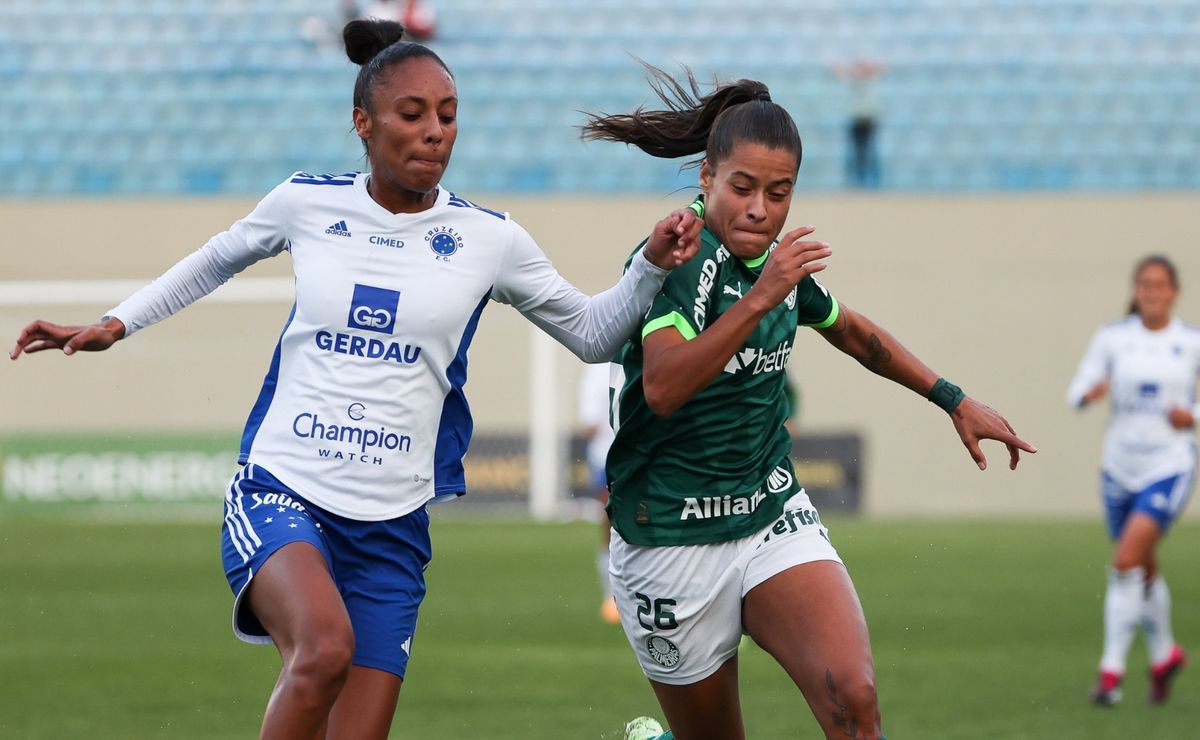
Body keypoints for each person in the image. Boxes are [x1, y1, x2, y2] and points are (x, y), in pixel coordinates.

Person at [8, 20, 702, 740]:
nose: (435, 131)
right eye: (412, 114)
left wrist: (648, 266)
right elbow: (216, 258)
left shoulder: (489, 239)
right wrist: (114, 323)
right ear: (362, 124)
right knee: (323, 650)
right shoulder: (307, 203)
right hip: (284, 489)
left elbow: (593, 335)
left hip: (393, 529)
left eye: (448, 115)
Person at [581, 65, 1036, 740]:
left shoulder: (778, 265)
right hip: (668, 537)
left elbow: (852, 332)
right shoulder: (677, 254)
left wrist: (952, 398)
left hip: (769, 512)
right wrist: (765, 294)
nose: (761, 208)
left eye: (779, 191)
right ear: (706, 178)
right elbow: (665, 386)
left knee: (854, 702)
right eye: (743, 187)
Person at [1066, 254, 1196, 707]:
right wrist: (1087, 393)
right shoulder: (1114, 338)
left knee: (1125, 562)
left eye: (1160, 285)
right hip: (1119, 468)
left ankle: (1110, 673)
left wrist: (1192, 416)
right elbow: (1077, 388)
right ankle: (1165, 655)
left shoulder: (1190, 342)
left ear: (1174, 292)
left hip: (1169, 466)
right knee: (1142, 563)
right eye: (1144, 284)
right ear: (1136, 290)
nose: (1151, 292)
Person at [576, 360, 620, 623]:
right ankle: (611, 596)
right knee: (611, 526)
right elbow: (589, 423)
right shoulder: (598, 370)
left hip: (638, 457)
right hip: (607, 458)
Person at [832, 59, 885, 189]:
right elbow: (838, 72)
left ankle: (873, 183)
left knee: (871, 153)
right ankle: (858, 183)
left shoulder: (871, 80)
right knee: (856, 153)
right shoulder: (852, 81)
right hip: (856, 121)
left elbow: (882, 67)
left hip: (869, 120)